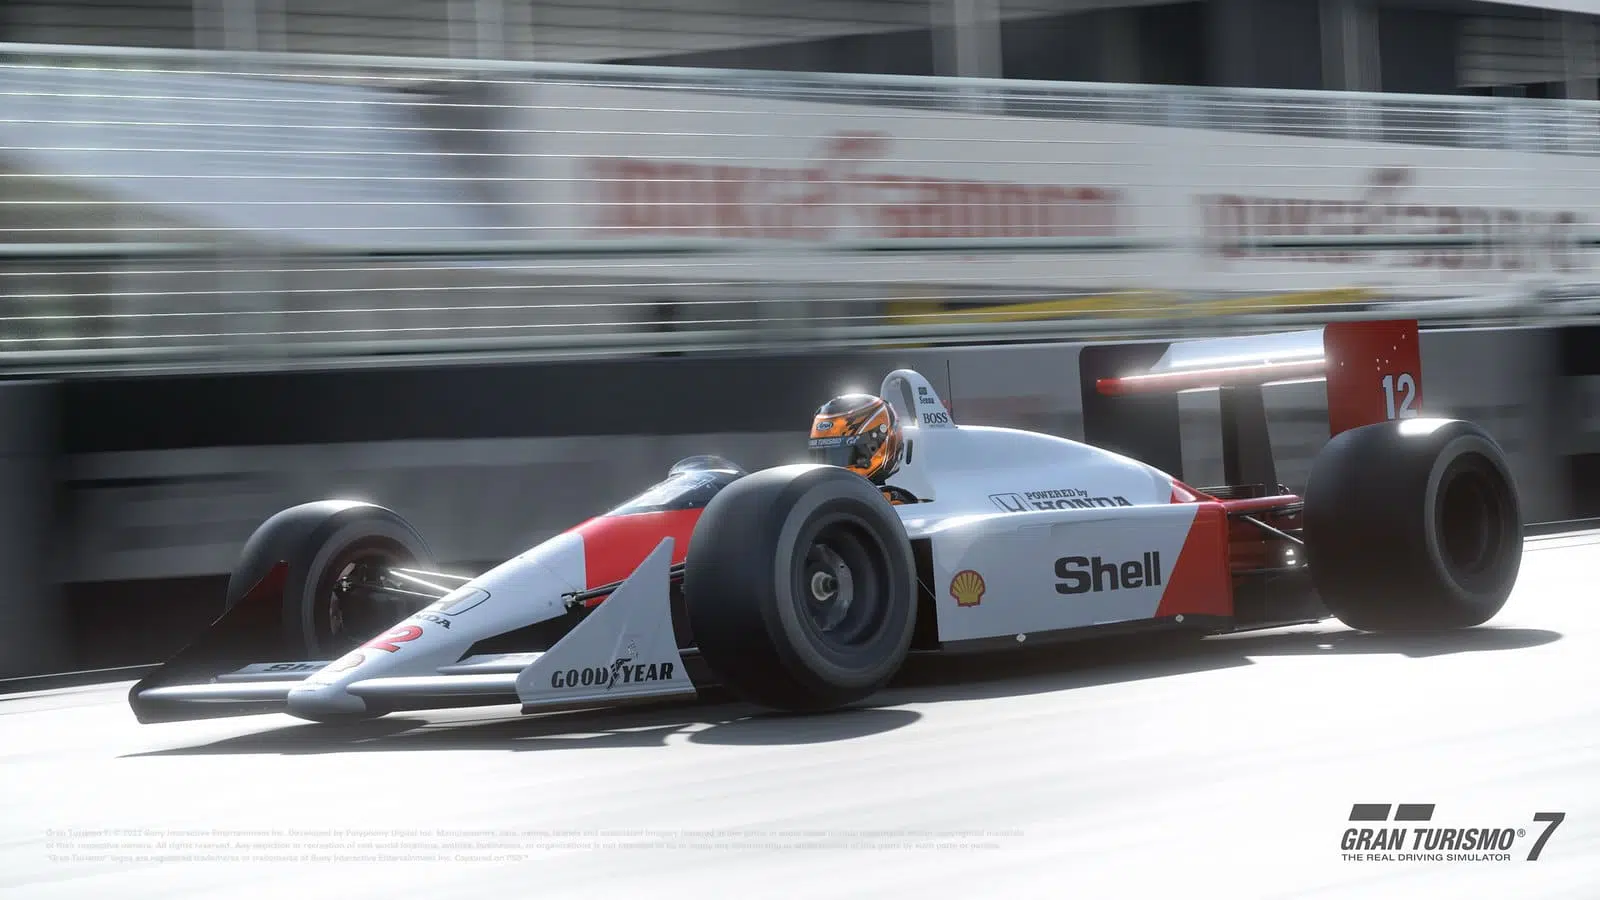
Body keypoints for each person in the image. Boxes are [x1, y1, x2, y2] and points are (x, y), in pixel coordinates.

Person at [807, 393, 919, 504]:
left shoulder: (888, 502)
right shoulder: (816, 497)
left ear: (875, 447)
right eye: (822, 456)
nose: (831, 468)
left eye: (841, 455)